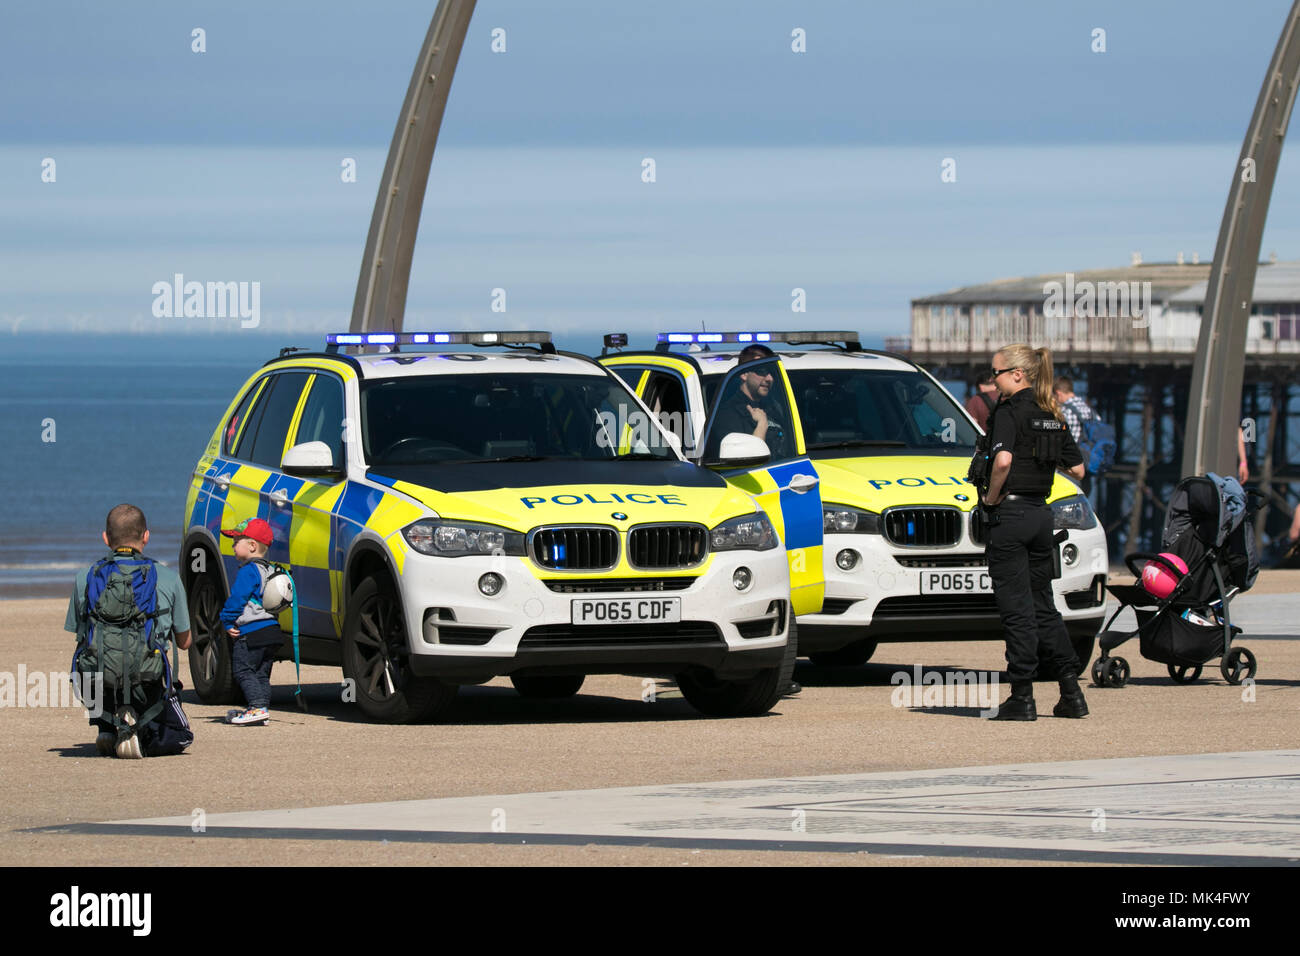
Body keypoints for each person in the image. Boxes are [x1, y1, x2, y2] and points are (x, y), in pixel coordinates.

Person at [981, 346, 1087, 721]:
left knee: (1017, 610)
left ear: (1018, 374)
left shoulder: (1009, 411)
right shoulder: (1051, 414)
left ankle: (1022, 696)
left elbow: (1003, 461)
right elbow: (1078, 469)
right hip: (1042, 516)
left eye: (996, 373)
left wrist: (992, 499)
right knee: (1044, 606)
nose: (992, 380)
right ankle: (1071, 692)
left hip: (1009, 516)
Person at [65, 504, 192, 758]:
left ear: (105, 538)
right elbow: (185, 642)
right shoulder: (167, 577)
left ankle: (106, 725)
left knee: (90, 660)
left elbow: (80, 635)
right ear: (146, 536)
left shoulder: (85, 577)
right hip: (147, 683)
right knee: (182, 736)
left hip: (98, 684)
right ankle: (138, 732)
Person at [220, 517, 285, 726]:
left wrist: (227, 620)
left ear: (252, 545)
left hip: (252, 631)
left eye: (236, 541)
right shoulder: (273, 569)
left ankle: (257, 706)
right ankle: (261, 709)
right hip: (272, 630)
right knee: (261, 673)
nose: (232, 546)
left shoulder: (248, 570)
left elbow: (238, 597)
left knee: (242, 670)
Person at [710, 344, 790, 458]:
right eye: (762, 371)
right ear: (744, 374)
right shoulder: (726, 415)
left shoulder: (776, 407)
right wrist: (761, 425)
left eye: (772, 372)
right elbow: (746, 461)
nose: (769, 378)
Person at [1052, 376, 1096, 495]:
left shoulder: (1066, 411)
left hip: (1072, 468)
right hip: (1088, 465)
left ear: (1058, 393)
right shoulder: (1089, 410)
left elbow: (1059, 441)